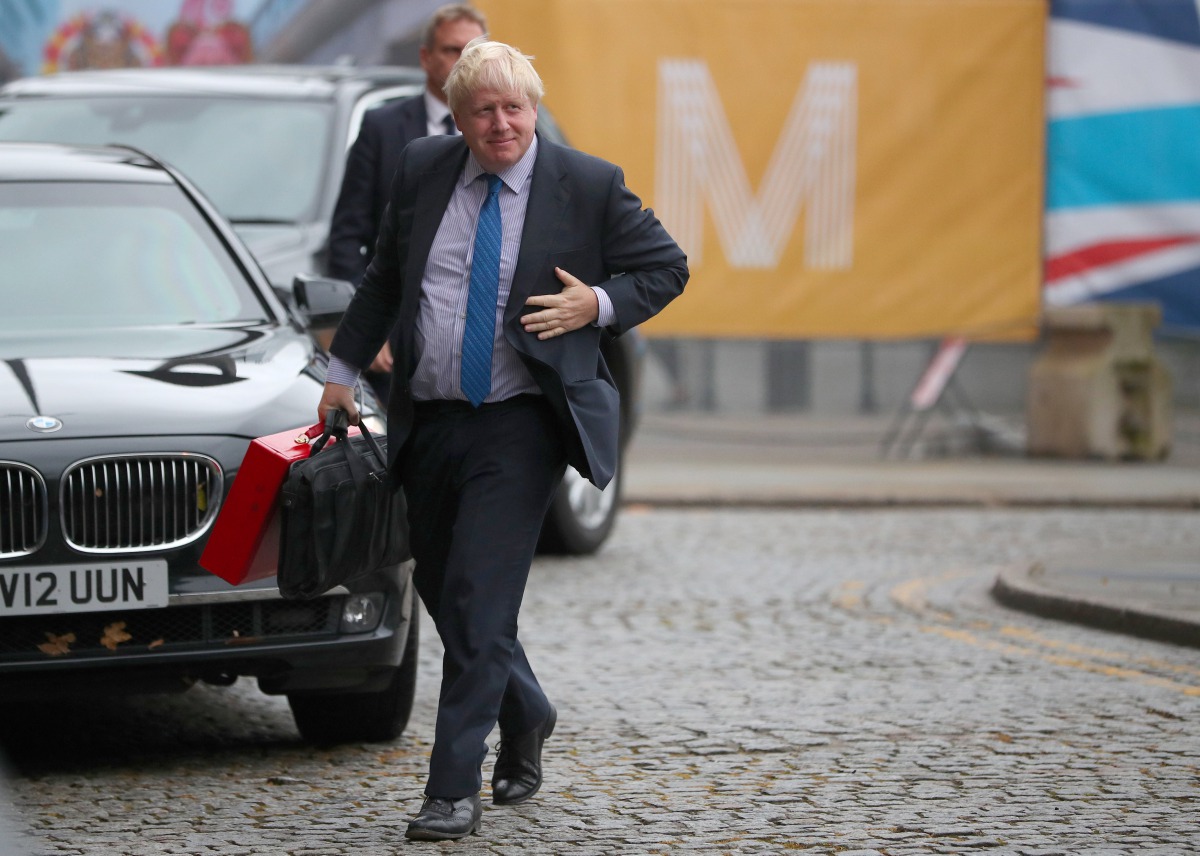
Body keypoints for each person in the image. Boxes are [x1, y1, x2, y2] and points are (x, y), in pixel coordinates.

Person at [317, 37, 688, 841]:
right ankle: (529, 710)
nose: (501, 124)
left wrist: (596, 303)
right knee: (452, 599)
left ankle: (452, 789)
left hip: (521, 423)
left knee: (482, 602)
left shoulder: (585, 184)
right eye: (482, 110)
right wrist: (342, 368)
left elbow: (665, 267)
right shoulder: (423, 169)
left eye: (514, 107)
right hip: (431, 416)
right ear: (458, 118)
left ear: (533, 108)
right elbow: (385, 275)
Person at [327, 3, 487, 402]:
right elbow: (348, 236)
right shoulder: (382, 128)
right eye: (453, 50)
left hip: (483, 331)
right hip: (398, 337)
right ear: (426, 56)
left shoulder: (501, 131)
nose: (464, 61)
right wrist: (366, 330)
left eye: (475, 51)